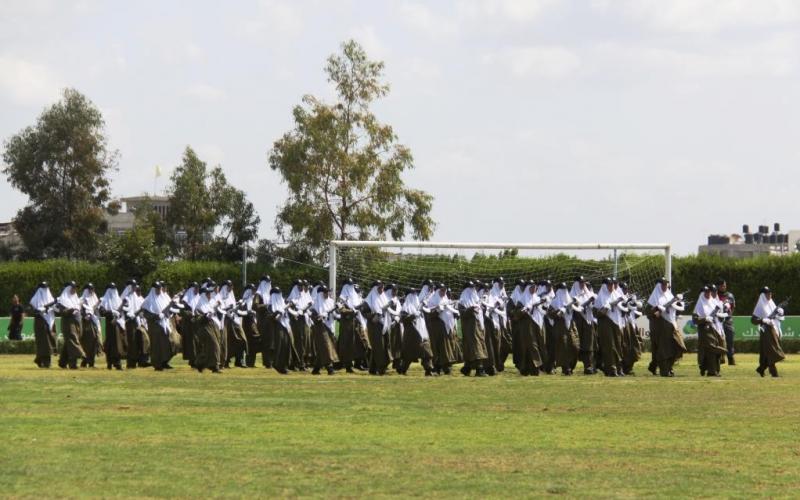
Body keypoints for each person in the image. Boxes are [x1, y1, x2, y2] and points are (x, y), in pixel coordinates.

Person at [645, 279, 687, 377]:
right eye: (662, 285)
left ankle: (667, 367)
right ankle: (665, 370)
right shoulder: (654, 298)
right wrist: (657, 309)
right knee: (664, 349)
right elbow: (648, 313)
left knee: (677, 346)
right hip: (659, 327)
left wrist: (679, 302)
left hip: (672, 324)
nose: (664, 287)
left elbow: (676, 309)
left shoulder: (670, 296)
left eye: (666, 285)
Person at [140, 281, 179, 371]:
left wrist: (169, 311)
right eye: (157, 289)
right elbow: (145, 313)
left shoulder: (162, 298)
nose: (159, 290)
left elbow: (166, 309)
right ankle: (157, 364)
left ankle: (164, 362)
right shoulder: (148, 300)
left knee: (168, 343)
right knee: (157, 345)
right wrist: (156, 317)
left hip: (164, 324)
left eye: (160, 289)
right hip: (154, 325)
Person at [399, 288, 435, 376]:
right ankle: (402, 369)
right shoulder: (405, 308)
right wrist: (413, 316)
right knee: (408, 355)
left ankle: (429, 370)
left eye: (415, 294)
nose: (415, 296)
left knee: (427, 352)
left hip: (421, 333)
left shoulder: (418, 306)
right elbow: (403, 320)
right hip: (411, 334)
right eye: (412, 294)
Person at [693, 285, 728, 377]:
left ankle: (708, 368)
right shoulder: (700, 304)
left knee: (713, 349)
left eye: (709, 292)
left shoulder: (713, 303)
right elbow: (695, 320)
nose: (708, 294)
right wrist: (705, 319)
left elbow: (717, 317)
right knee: (712, 349)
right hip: (705, 330)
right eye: (706, 292)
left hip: (715, 329)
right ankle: (712, 371)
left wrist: (721, 315)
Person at [426, 283, 460, 375]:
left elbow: (449, 311)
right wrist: (437, 310)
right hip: (436, 327)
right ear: (438, 290)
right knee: (439, 347)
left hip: (446, 327)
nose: (443, 292)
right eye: (441, 290)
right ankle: (439, 367)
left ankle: (445, 366)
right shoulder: (433, 300)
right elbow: (429, 313)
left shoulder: (446, 299)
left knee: (446, 347)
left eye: (444, 290)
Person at [751, 287, 786, 378]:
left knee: (766, 353)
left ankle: (761, 368)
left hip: (774, 330)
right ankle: (774, 373)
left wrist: (780, 313)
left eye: (770, 293)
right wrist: (763, 320)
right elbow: (753, 320)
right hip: (766, 331)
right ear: (762, 295)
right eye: (767, 293)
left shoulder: (771, 304)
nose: (769, 295)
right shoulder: (760, 305)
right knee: (772, 351)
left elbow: (777, 318)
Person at [457, 281, 489, 377]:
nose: (473, 290)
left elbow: (480, 313)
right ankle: (479, 369)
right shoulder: (462, 302)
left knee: (475, 347)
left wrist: (482, 308)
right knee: (476, 347)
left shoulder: (476, 300)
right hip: (469, 328)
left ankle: (467, 368)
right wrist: (471, 309)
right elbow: (463, 314)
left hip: (477, 327)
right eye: (471, 289)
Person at [593, 279, 624, 377]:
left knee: (618, 345)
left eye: (613, 285)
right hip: (605, 324)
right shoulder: (600, 297)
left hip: (616, 323)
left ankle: (619, 368)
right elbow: (596, 313)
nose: (612, 287)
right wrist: (607, 307)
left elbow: (622, 310)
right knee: (609, 346)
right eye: (609, 285)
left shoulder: (616, 295)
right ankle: (611, 369)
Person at [336, 279, 368, 373]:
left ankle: (359, 363)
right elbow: (341, 309)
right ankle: (348, 367)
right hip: (347, 325)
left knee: (362, 342)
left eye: (351, 286)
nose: (350, 288)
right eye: (348, 286)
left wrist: (359, 307)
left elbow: (358, 306)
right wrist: (351, 311)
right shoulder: (341, 298)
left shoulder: (355, 296)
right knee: (348, 345)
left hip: (357, 323)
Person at [549, 283, 579, 376]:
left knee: (575, 346)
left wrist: (572, 304)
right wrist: (559, 311)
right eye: (562, 290)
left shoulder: (569, 300)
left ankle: (571, 366)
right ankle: (566, 368)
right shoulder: (554, 302)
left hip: (571, 325)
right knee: (563, 347)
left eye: (565, 289)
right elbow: (550, 314)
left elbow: (578, 307)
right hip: (560, 326)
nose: (564, 292)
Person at [363, 281, 393, 375]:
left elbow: (386, 310)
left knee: (384, 346)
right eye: (379, 288)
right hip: (374, 326)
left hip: (383, 325)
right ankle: (381, 369)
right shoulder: (368, 300)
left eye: (382, 288)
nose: (381, 290)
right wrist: (373, 316)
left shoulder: (383, 298)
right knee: (379, 347)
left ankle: (372, 368)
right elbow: (364, 312)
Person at [482, 278, 510, 374]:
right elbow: (489, 308)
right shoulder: (491, 294)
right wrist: (497, 305)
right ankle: (494, 365)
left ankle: (499, 363)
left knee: (505, 344)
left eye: (503, 283)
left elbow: (504, 308)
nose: (502, 285)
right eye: (501, 283)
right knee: (493, 345)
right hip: (492, 322)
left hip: (501, 322)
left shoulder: (502, 293)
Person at [268, 287, 299, 374]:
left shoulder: (282, 304)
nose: (279, 296)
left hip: (285, 326)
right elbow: (271, 318)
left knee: (286, 346)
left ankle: (284, 365)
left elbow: (287, 311)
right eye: (277, 294)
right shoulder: (270, 306)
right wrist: (277, 313)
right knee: (279, 347)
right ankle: (277, 365)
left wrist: (293, 314)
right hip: (277, 328)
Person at [56, 281, 86, 369]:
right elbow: (62, 312)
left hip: (77, 322)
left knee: (70, 342)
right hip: (68, 323)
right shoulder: (63, 300)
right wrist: (71, 310)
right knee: (73, 340)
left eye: (76, 287)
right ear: (68, 289)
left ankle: (62, 362)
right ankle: (79, 357)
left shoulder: (76, 299)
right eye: (73, 287)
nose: (74, 289)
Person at [310, 285, 339, 375]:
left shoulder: (331, 301)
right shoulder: (315, 304)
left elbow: (334, 315)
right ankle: (329, 368)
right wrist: (320, 316)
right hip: (320, 327)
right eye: (325, 292)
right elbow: (314, 317)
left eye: (328, 292)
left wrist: (340, 314)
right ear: (320, 293)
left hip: (330, 326)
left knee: (323, 348)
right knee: (326, 347)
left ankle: (316, 369)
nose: (327, 294)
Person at [121, 280, 150, 369]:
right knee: (132, 342)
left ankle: (141, 361)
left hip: (137, 321)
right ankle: (131, 363)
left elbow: (138, 309)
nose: (134, 288)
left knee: (139, 341)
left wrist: (140, 313)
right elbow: (124, 310)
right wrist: (131, 315)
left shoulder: (135, 297)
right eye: (133, 286)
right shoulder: (125, 298)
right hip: (129, 322)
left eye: (135, 286)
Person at [570, 278, 596, 374]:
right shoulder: (572, 295)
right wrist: (587, 302)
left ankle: (588, 367)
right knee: (575, 344)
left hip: (588, 321)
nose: (582, 284)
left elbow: (594, 306)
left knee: (588, 344)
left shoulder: (588, 294)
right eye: (580, 282)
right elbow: (577, 307)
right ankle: (570, 367)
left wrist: (592, 301)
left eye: (583, 283)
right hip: (577, 322)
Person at [194, 284, 222, 373]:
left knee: (211, 347)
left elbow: (213, 312)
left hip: (213, 326)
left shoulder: (210, 303)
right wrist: (205, 316)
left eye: (210, 293)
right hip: (205, 327)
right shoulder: (199, 305)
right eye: (207, 294)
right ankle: (215, 367)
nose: (209, 295)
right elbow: (197, 319)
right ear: (203, 295)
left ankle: (200, 364)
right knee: (214, 345)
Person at [220, 281, 248, 368]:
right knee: (228, 342)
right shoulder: (220, 297)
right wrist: (229, 309)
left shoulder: (231, 295)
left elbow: (234, 307)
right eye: (229, 286)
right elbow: (221, 309)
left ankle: (239, 360)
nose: (231, 288)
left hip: (234, 320)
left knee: (242, 339)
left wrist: (237, 305)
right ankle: (226, 361)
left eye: (231, 286)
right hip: (226, 322)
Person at [99, 283, 126, 370]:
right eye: (111, 289)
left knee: (117, 344)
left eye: (114, 289)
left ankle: (117, 363)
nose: (113, 291)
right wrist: (111, 312)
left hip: (117, 324)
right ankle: (110, 362)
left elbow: (122, 313)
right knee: (110, 344)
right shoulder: (104, 301)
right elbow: (102, 312)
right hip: (110, 324)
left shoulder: (119, 300)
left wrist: (119, 314)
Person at [29, 282, 57, 368]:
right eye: (43, 288)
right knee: (45, 342)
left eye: (46, 288)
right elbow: (35, 310)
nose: (45, 290)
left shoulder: (51, 299)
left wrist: (53, 306)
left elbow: (56, 308)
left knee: (50, 341)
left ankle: (39, 359)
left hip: (50, 322)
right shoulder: (34, 300)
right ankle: (46, 362)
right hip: (40, 322)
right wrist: (41, 310)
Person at [287, 280, 311, 371]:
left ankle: (301, 363)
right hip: (295, 322)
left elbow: (307, 306)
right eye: (300, 286)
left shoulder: (303, 296)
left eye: (303, 286)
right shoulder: (292, 297)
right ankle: (297, 364)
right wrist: (295, 313)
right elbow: (288, 309)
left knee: (303, 343)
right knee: (298, 342)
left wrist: (304, 310)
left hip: (303, 321)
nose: (302, 288)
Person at [79, 283, 103, 368]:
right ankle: (86, 361)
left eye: (92, 289)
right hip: (87, 324)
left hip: (95, 323)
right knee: (88, 342)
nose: (92, 291)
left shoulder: (94, 298)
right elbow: (80, 310)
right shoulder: (83, 299)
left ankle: (90, 361)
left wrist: (98, 304)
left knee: (94, 342)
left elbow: (96, 310)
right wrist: (86, 315)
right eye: (90, 289)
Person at [253, 276, 274, 368]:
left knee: (272, 341)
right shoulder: (258, 294)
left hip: (271, 320)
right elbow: (255, 306)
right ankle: (267, 362)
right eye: (266, 283)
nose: (268, 284)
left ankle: (272, 361)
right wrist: (266, 306)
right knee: (265, 342)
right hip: (263, 321)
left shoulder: (271, 294)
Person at [180, 282, 200, 367]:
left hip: (197, 323)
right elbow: (182, 311)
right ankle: (193, 360)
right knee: (191, 343)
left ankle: (196, 359)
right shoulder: (185, 300)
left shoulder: (198, 298)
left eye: (198, 288)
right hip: (189, 324)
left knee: (197, 342)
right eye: (195, 288)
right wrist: (191, 314)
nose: (197, 290)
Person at [240, 284, 261, 368]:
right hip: (246, 324)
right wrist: (249, 312)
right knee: (248, 343)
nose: (254, 291)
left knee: (253, 344)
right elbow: (241, 312)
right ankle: (246, 362)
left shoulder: (253, 300)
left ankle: (251, 362)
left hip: (253, 323)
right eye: (252, 290)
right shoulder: (243, 302)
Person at [717, 280, 736, 365]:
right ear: (718, 286)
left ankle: (731, 358)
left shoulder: (730, 295)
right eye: (721, 286)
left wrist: (729, 315)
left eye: (724, 285)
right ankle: (721, 358)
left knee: (730, 340)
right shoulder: (714, 295)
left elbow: (733, 307)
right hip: (718, 321)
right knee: (719, 340)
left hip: (728, 321)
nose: (723, 287)